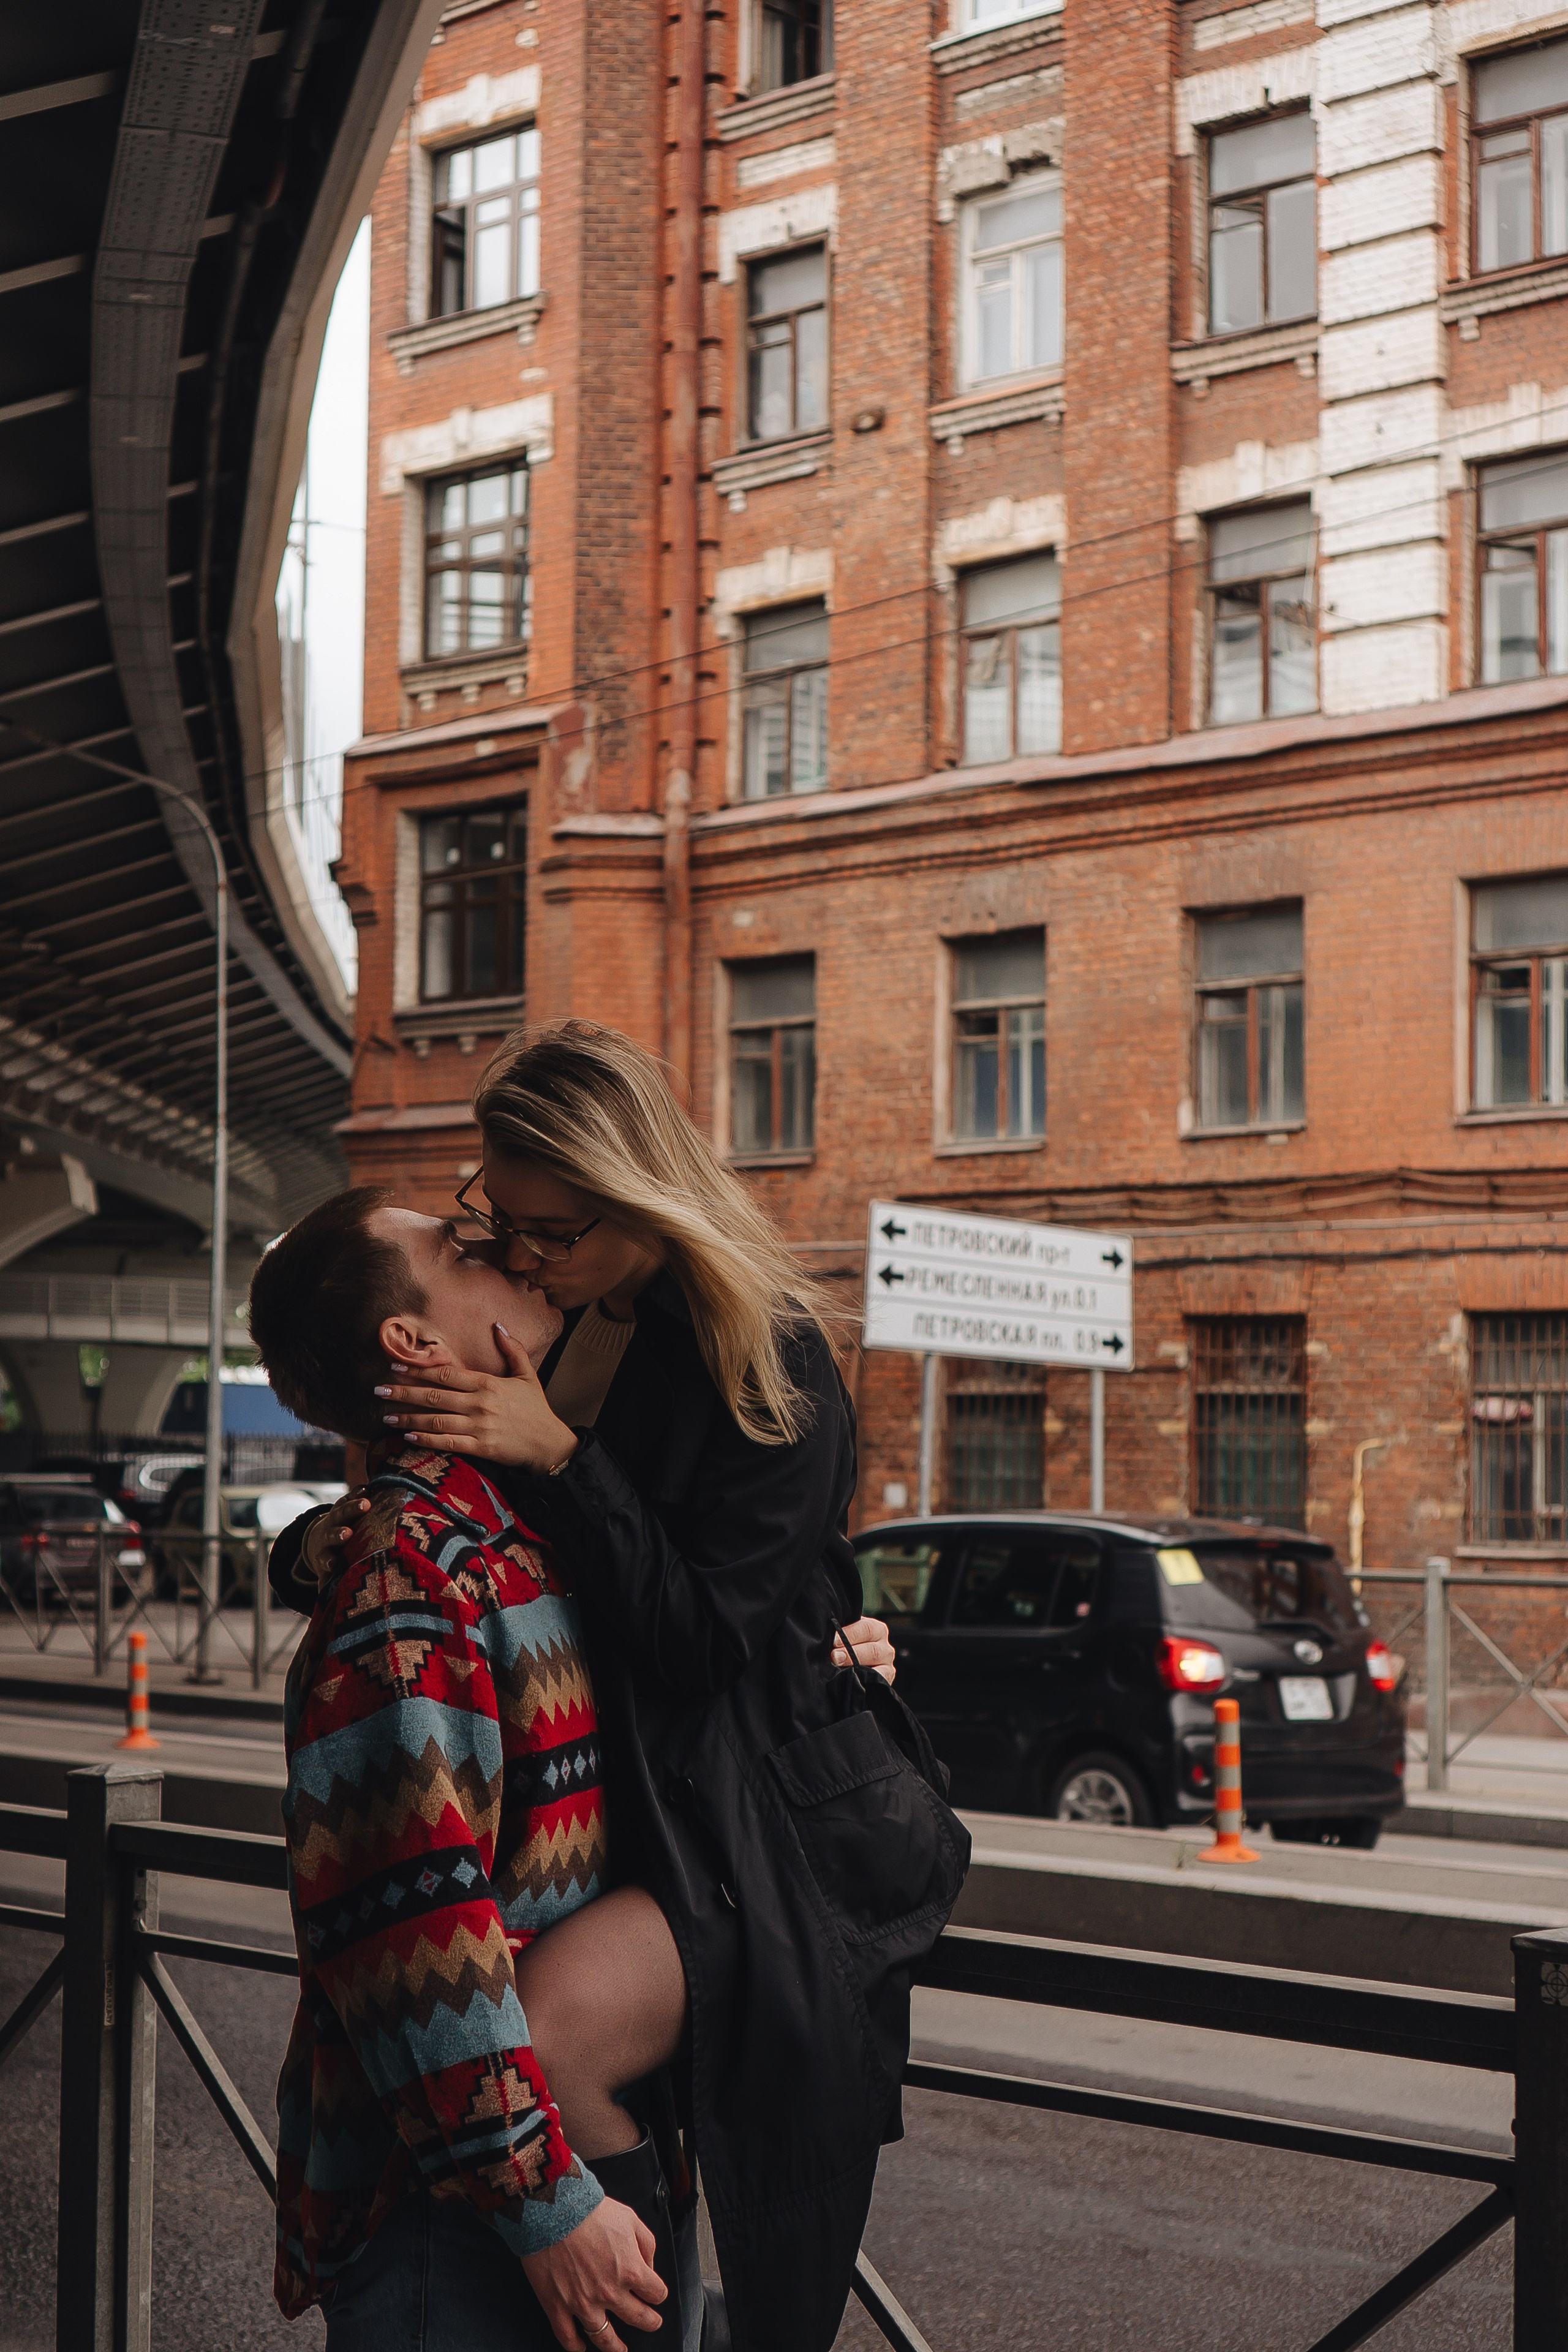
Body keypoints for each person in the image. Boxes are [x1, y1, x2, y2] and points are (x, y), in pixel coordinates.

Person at [295, 1021, 970, 2351]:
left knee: (577, 2058)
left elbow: (696, 1636)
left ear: (640, 1197)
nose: (513, 1257)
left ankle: (628, 2296)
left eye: (546, 1233)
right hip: (639, 1800)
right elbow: (483, 1552)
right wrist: (328, 1539)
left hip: (744, 1817)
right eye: (495, 1227)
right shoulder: (583, 1323)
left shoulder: (762, 1356)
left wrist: (557, 1456)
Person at [251, 1192, 693, 2352]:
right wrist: (547, 2208)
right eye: (459, 1251)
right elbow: (414, 1936)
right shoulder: (411, 1579)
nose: (502, 1251)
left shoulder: (509, 1518)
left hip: (517, 2174)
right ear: (413, 1344)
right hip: (453, 2218)